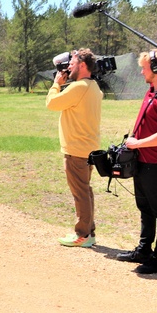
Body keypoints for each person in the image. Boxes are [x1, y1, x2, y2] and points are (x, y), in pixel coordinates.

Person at [119, 48, 157, 275]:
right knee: (144, 207)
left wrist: (137, 144)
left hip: (155, 162)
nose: (141, 71)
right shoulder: (152, 91)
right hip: (142, 161)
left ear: (155, 69)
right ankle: (144, 250)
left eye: (145, 67)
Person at [46, 48, 103, 248]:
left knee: (80, 193)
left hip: (77, 150)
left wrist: (56, 85)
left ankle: (83, 234)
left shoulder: (78, 87)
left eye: (73, 63)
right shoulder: (93, 86)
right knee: (85, 191)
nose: (68, 67)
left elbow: (52, 103)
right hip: (87, 148)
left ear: (83, 66)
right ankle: (89, 232)